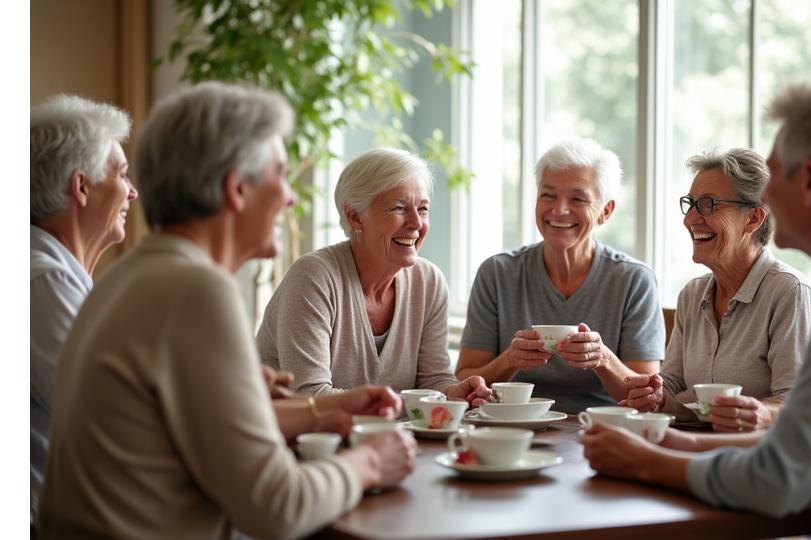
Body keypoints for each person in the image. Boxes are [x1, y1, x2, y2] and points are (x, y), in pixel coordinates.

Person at [39, 82, 418, 539]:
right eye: (279, 174)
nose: (291, 197)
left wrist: (329, 409)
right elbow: (277, 506)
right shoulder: (196, 290)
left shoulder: (129, 276)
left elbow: (195, 428)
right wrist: (372, 461)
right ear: (237, 188)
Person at [582, 81, 811, 538]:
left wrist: (646, 461)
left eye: (775, 171)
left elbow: (778, 477)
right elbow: (809, 445)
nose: (768, 193)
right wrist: (677, 440)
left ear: (809, 181)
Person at [257, 148, 492, 406]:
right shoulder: (313, 278)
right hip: (297, 440)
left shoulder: (429, 282)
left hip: (384, 440)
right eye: (399, 208)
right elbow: (309, 396)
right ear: (354, 216)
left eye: (423, 209)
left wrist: (454, 393)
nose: (416, 223)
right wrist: (414, 404)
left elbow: (433, 382)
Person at [456, 139, 664, 414]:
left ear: (605, 211)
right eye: (548, 195)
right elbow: (464, 382)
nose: (559, 210)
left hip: (600, 429)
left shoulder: (633, 280)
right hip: (511, 423)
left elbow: (646, 397)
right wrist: (511, 359)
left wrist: (603, 359)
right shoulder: (497, 273)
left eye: (577, 198)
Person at [620, 148, 811, 431]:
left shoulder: (789, 292)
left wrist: (762, 413)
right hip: (696, 444)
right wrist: (656, 396)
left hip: (757, 455)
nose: (690, 219)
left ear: (753, 219)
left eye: (709, 204)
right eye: (690, 204)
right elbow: (674, 389)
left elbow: (799, 402)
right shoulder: (692, 294)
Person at [30, 95, 138, 518]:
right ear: (81, 187)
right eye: (123, 174)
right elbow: (113, 419)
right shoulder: (43, 280)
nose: (133, 191)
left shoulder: (58, 276)